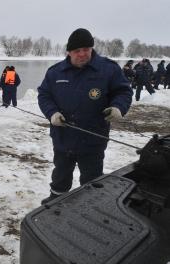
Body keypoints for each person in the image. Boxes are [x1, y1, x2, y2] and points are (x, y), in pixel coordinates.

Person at [37, 28, 133, 204]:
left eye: (86, 49)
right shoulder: (55, 72)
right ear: (69, 51)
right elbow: (44, 95)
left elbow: (123, 92)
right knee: (61, 173)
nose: (82, 54)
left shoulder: (108, 69)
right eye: (77, 51)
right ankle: (56, 199)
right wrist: (52, 113)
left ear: (92, 48)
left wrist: (118, 107)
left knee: (92, 178)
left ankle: (90, 208)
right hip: (63, 138)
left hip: (93, 139)